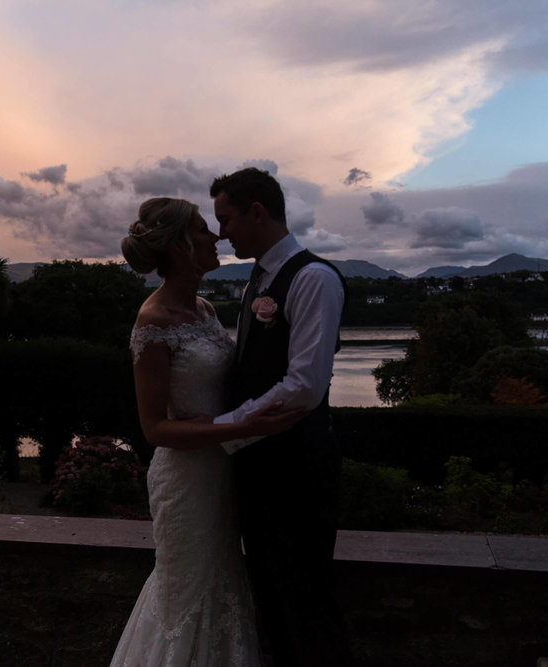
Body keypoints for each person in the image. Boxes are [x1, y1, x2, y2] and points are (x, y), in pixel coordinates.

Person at [110, 197, 307, 667]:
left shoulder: (203, 310)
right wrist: (238, 426)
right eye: (203, 229)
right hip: (186, 482)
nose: (216, 236)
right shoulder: (152, 322)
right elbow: (154, 427)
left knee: (224, 583)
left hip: (222, 472)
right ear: (179, 246)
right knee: (186, 593)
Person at [210, 167, 353, 666]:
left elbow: (304, 387)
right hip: (258, 464)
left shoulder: (313, 278)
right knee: (269, 597)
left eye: (225, 220)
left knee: (305, 600)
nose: (220, 233)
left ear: (256, 212)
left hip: (296, 468)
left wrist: (224, 430)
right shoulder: (256, 281)